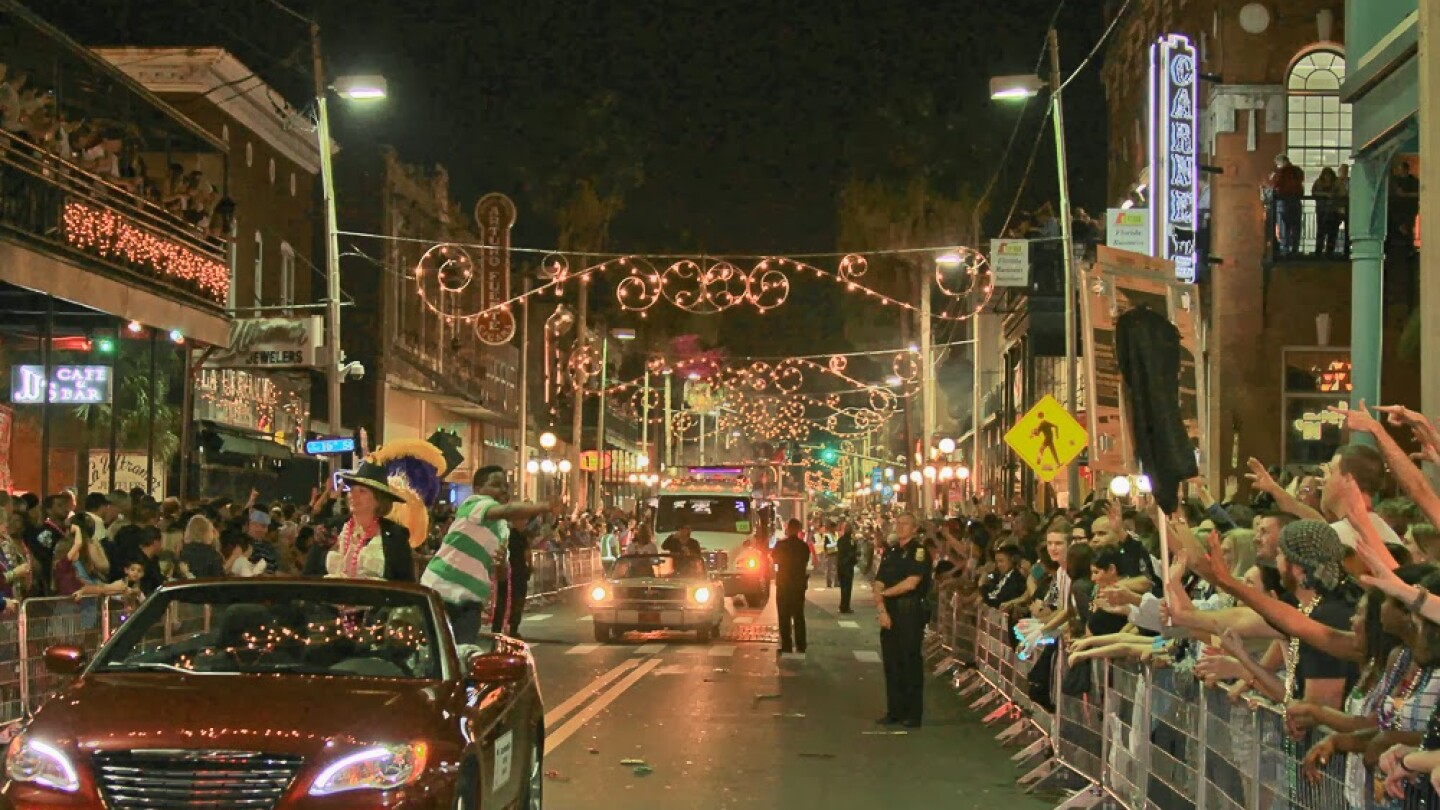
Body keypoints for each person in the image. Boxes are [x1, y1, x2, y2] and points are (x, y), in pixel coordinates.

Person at [422, 465, 561, 645]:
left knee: (462, 655)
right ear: (478, 489)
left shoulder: (503, 529)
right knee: (432, 652)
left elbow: (501, 574)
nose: (503, 490)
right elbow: (509, 510)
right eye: (496, 484)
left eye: (506, 485)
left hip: (471, 601)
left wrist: (501, 564)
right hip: (439, 590)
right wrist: (544, 506)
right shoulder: (474, 504)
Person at [874, 512, 930, 728]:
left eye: (905, 523)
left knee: (910, 661)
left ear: (915, 528)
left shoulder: (919, 552)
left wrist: (885, 594)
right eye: (898, 523)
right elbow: (878, 582)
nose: (900, 527)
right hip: (890, 613)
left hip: (910, 612)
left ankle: (913, 713)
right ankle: (894, 710)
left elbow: (911, 583)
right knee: (891, 662)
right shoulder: (891, 553)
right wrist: (881, 609)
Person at [773, 518, 810, 654]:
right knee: (799, 615)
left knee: (784, 617)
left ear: (788, 529)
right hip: (798, 585)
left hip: (783, 584)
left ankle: (787, 645)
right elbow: (805, 561)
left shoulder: (781, 545)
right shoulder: (803, 547)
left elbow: (774, 559)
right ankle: (801, 644)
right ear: (799, 530)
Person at [492, 516, 531, 638]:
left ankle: (502, 628)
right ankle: (508, 628)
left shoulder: (515, 535)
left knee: (509, 601)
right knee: (512, 601)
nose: (524, 522)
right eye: (522, 520)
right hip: (512, 572)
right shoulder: (515, 536)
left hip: (511, 572)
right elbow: (527, 554)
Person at [836, 518, 858, 613]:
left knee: (843, 587)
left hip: (840, 566)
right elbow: (852, 553)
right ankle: (845, 606)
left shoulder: (840, 540)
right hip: (847, 567)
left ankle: (842, 605)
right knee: (847, 588)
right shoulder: (851, 541)